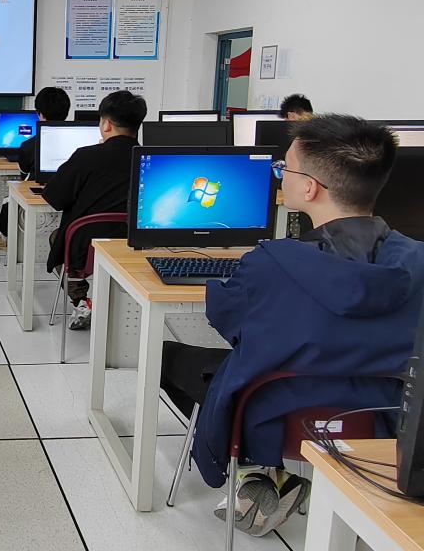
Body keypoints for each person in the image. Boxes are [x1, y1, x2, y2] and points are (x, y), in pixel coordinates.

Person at [160, 115, 424, 536]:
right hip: (383, 427)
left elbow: (228, 319)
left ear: (310, 187)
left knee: (172, 357)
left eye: (284, 168)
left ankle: (262, 473)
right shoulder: (418, 261)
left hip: (276, 420)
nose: (279, 175)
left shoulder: (271, 262)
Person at [42, 90, 146, 330]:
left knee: (57, 238)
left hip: (84, 246)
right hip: (135, 243)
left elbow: (55, 198)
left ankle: (81, 300)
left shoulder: (86, 156)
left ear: (106, 124)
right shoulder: (149, 159)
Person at [0, 87, 71, 239]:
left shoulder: (28, 145)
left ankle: (7, 240)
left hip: (37, 203)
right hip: (68, 204)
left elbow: (23, 175)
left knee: (8, 202)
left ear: (40, 114)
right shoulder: (80, 144)